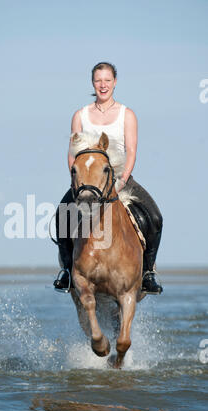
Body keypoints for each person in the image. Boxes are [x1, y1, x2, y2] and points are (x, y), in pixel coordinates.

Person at [53, 62, 163, 295]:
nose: (102, 85)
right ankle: (66, 271)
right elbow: (72, 154)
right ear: (92, 83)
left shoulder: (127, 114)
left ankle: (147, 273)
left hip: (120, 179)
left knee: (154, 217)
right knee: (61, 215)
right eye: (98, 80)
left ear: (115, 82)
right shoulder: (80, 115)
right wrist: (78, 184)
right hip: (87, 183)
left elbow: (131, 151)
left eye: (107, 80)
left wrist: (122, 180)